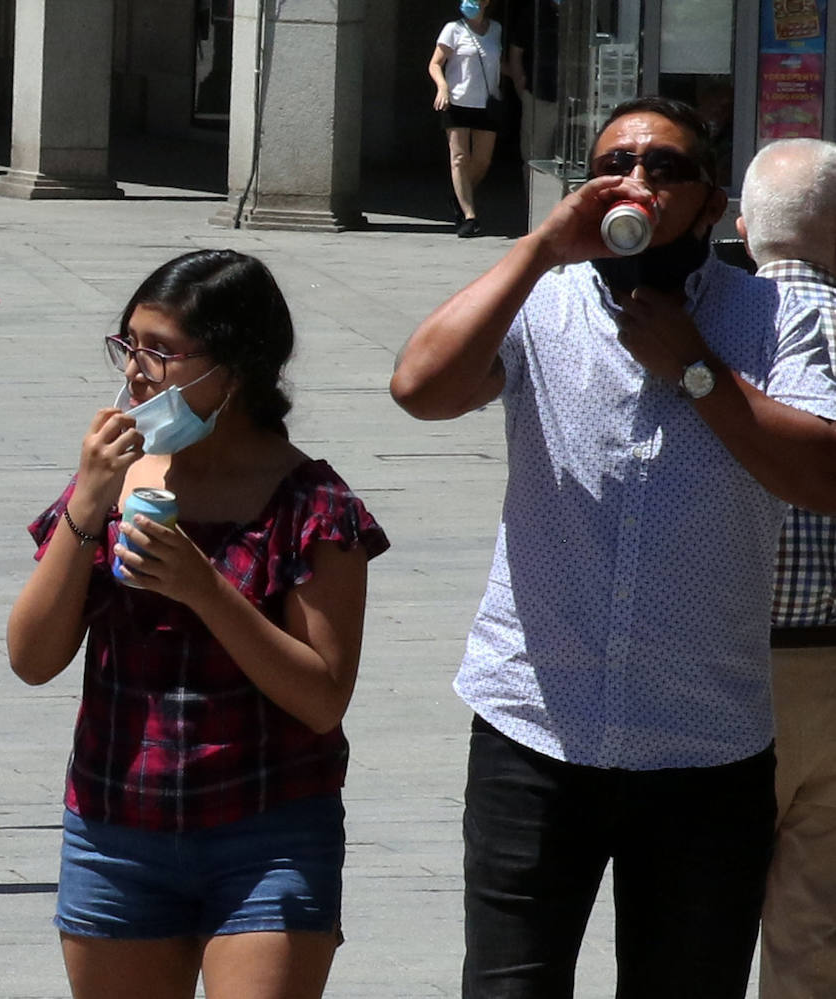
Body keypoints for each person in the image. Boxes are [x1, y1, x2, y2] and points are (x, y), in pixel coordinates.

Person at [389, 97, 836, 997]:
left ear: (712, 206)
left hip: (705, 748)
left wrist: (698, 370)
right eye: (615, 162)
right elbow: (419, 388)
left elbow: (822, 474)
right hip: (536, 730)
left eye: (664, 168)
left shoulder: (772, 316)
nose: (636, 182)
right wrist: (534, 248)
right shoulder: (543, 300)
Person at [7, 249, 389, 999]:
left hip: (269, 827)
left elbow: (321, 695)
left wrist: (205, 588)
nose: (136, 372)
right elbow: (31, 654)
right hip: (118, 824)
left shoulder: (313, 506)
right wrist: (87, 502)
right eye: (129, 344)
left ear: (237, 366)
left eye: (162, 351)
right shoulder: (117, 482)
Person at [735, 138, 836, 999]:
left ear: (742, 227)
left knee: (699, 905)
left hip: (727, 664)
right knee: (814, 920)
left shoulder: (713, 330)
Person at [429, 0, 504, 237]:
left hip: (486, 102)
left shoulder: (496, 30)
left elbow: (498, 64)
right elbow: (435, 63)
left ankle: (459, 195)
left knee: (482, 161)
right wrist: (442, 87)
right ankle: (470, 215)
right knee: (460, 158)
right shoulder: (453, 29)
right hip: (457, 101)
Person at [508, 0, 559, 175]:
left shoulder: (583, 12)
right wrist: (519, 84)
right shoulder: (534, 12)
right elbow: (516, 52)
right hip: (539, 95)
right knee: (536, 157)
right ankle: (535, 202)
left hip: (577, 100)